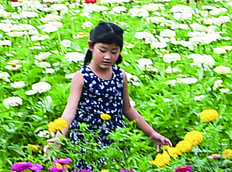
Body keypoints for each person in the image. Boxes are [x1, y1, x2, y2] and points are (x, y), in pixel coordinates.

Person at [45, 22, 171, 164]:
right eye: (103, 50)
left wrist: (152, 133)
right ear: (91, 46)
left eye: (114, 52)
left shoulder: (119, 74)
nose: (108, 56)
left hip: (115, 138)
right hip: (87, 140)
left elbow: (127, 109)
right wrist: (59, 137)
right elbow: (70, 111)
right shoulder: (82, 76)